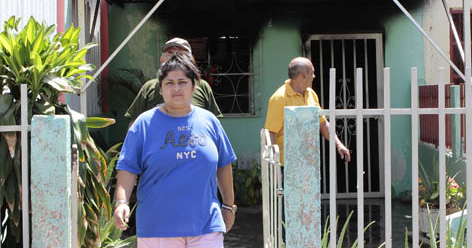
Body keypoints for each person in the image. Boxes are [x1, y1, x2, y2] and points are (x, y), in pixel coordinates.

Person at [114, 52, 236, 248]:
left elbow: (224, 164)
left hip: (206, 227)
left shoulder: (209, 121)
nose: (176, 88)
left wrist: (229, 206)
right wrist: (121, 202)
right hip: (158, 230)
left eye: (182, 82)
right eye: (169, 83)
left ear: (194, 86)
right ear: (160, 89)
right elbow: (128, 168)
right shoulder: (143, 124)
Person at [264, 57, 351, 166]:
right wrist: (274, 166)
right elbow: (271, 133)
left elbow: (323, 124)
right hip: (286, 165)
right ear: (303, 76)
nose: (314, 76)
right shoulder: (279, 98)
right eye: (312, 73)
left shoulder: (311, 94)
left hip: (309, 162)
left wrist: (338, 144)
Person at [125, 37, 222, 127]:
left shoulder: (202, 85)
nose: (175, 56)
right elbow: (135, 124)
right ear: (161, 59)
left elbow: (214, 123)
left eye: (181, 53)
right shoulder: (149, 87)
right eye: (170, 52)